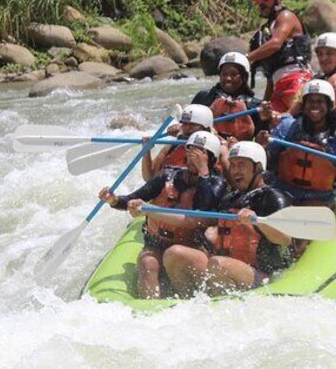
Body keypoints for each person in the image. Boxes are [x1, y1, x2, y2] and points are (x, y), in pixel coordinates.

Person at [99, 131, 227, 299]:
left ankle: (187, 300)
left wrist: (203, 172)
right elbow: (134, 198)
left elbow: (202, 210)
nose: (192, 157)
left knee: (174, 253)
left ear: (210, 158)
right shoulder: (168, 175)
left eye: (199, 154)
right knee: (147, 262)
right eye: (190, 151)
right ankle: (149, 308)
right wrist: (114, 200)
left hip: (191, 248)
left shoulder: (217, 183)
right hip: (157, 243)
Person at [162, 141, 295, 297]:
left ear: (257, 168)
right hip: (223, 266)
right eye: (232, 165)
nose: (235, 170)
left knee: (218, 264)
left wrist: (257, 221)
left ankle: (217, 310)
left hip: (260, 274)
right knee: (174, 254)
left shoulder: (273, 197)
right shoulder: (231, 198)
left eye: (241, 165)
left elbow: (286, 239)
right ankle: (188, 304)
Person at [258, 80, 336, 209]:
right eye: (310, 101)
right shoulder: (288, 126)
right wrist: (262, 147)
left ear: (329, 105)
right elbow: (268, 162)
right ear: (304, 105)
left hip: (319, 199)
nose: (314, 106)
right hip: (283, 193)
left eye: (320, 101)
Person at [246, 0, 313, 114]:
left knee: (294, 120)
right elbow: (272, 73)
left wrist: (247, 58)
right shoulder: (267, 28)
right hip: (278, 86)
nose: (261, 3)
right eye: (258, 0)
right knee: (273, 125)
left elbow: (275, 44)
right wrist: (266, 101)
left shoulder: (286, 16)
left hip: (297, 79)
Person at [191, 52, 272, 143]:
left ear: (243, 76)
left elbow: (260, 137)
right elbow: (187, 124)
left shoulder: (255, 105)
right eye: (224, 74)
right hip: (207, 145)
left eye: (233, 74)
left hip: (240, 150)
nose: (228, 78)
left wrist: (264, 120)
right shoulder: (204, 97)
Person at [141, 104, 214, 181]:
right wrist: (146, 151)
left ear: (206, 128)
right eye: (184, 123)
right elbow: (148, 178)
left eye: (193, 125)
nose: (187, 128)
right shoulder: (172, 146)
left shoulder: (215, 150)